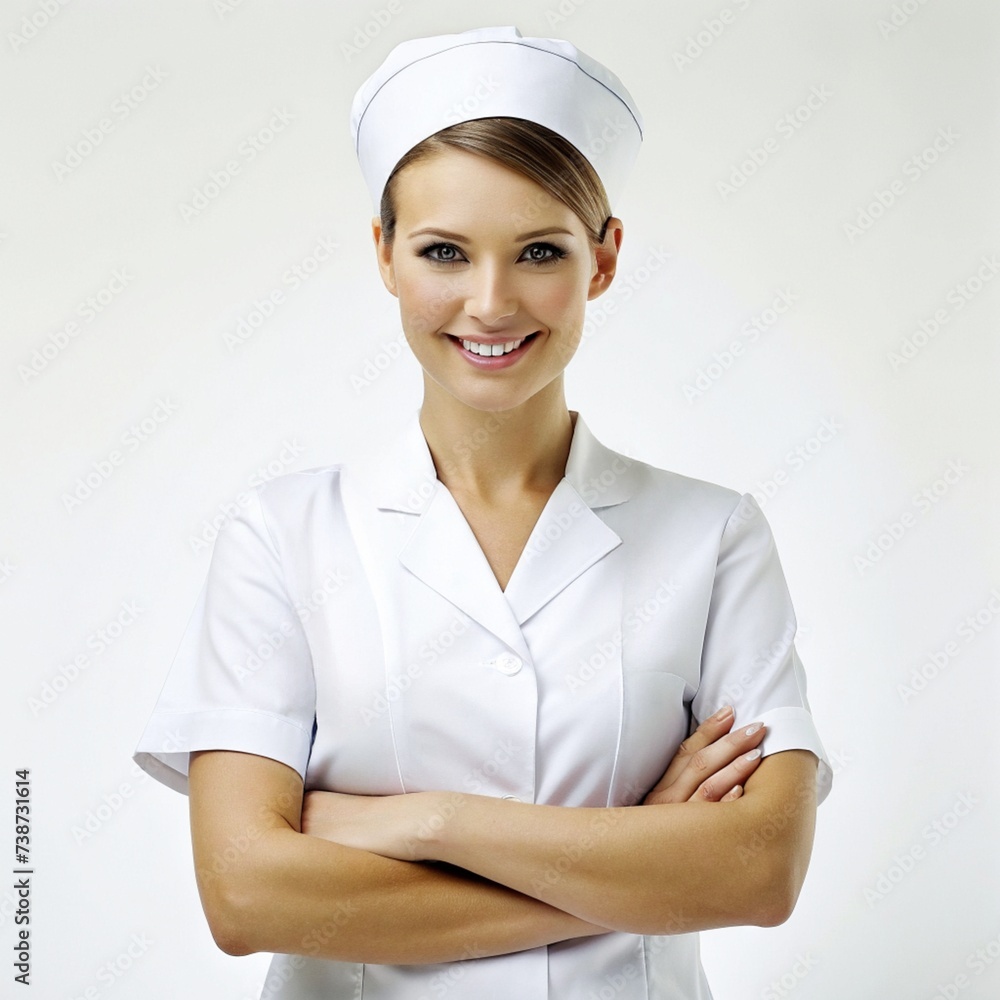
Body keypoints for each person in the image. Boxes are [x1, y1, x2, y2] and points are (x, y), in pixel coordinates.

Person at [133, 24, 832, 999]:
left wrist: (427, 823)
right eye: (444, 252)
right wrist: (647, 860)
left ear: (604, 257)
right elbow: (245, 896)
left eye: (539, 249)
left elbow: (758, 873)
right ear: (383, 254)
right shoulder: (282, 536)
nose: (491, 302)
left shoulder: (712, 538)